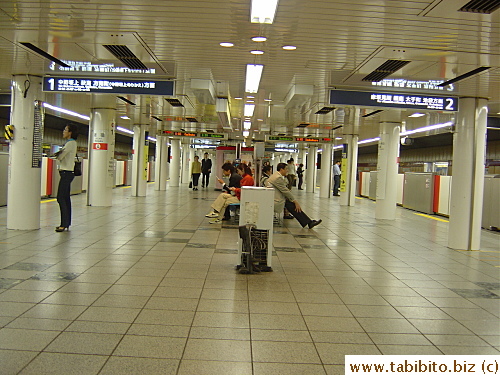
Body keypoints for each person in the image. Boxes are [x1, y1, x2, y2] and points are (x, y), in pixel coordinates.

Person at [266, 163, 322, 229]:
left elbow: (285, 186)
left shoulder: (277, 176)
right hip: (275, 200)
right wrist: (295, 201)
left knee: (291, 205)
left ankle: (308, 222)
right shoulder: (277, 178)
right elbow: (285, 190)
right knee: (293, 205)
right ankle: (309, 222)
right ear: (281, 169)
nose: (287, 171)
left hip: (274, 198)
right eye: (286, 169)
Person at [54, 124, 78, 232]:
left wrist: (57, 155)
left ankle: (63, 224)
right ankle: (66, 223)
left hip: (66, 173)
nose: (63, 131)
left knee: (61, 197)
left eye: (65, 130)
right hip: (68, 173)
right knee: (66, 198)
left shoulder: (70, 143)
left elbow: (60, 156)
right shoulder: (71, 143)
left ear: (70, 132)